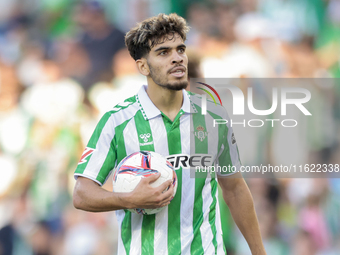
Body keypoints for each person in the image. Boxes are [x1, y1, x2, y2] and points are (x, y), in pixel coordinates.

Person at [73, 13, 266, 255]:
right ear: (143, 65)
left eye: (180, 49)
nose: (177, 58)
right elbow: (81, 194)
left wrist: (259, 252)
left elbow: (235, 188)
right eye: (164, 52)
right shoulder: (118, 122)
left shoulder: (214, 116)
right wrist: (129, 199)